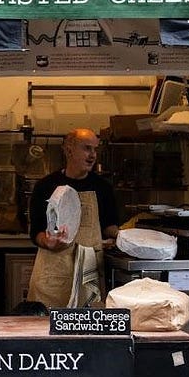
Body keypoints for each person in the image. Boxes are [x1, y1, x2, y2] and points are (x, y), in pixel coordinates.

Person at [26, 127, 120, 309]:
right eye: (87, 148)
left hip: (88, 272)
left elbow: (109, 226)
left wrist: (125, 237)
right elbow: (36, 231)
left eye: (95, 149)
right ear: (69, 151)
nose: (93, 155)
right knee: (46, 323)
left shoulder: (103, 187)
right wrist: (48, 242)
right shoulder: (45, 186)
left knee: (87, 322)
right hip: (53, 274)